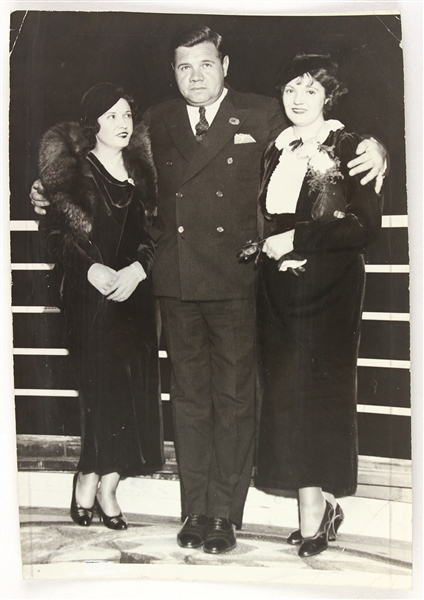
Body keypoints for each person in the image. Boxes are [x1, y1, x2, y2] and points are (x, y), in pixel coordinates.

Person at [30, 26, 386, 554]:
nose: (194, 76)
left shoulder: (267, 113)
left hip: (241, 279)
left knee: (237, 399)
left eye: (205, 64)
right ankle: (194, 508)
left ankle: (223, 513)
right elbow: (88, 145)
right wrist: (48, 186)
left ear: (225, 65)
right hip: (174, 281)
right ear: (173, 72)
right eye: (183, 67)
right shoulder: (154, 119)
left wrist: (377, 148)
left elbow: (326, 133)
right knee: (191, 400)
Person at [253, 54, 383, 557]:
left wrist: (297, 239)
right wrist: (274, 246)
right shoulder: (276, 149)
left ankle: (313, 513)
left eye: (309, 89)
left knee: (319, 398)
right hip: (280, 287)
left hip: (330, 289)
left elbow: (364, 226)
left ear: (328, 95)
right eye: (290, 88)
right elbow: (268, 216)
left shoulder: (353, 147)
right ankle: (318, 505)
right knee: (286, 396)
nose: (297, 98)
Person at [37, 82, 164, 530]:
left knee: (132, 396)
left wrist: (138, 270)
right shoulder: (75, 172)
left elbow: (155, 235)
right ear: (93, 125)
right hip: (90, 301)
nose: (122, 123)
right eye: (112, 116)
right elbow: (55, 235)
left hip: (135, 298)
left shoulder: (144, 174)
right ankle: (92, 481)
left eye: (127, 115)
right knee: (102, 395)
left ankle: (103, 483)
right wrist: (91, 270)